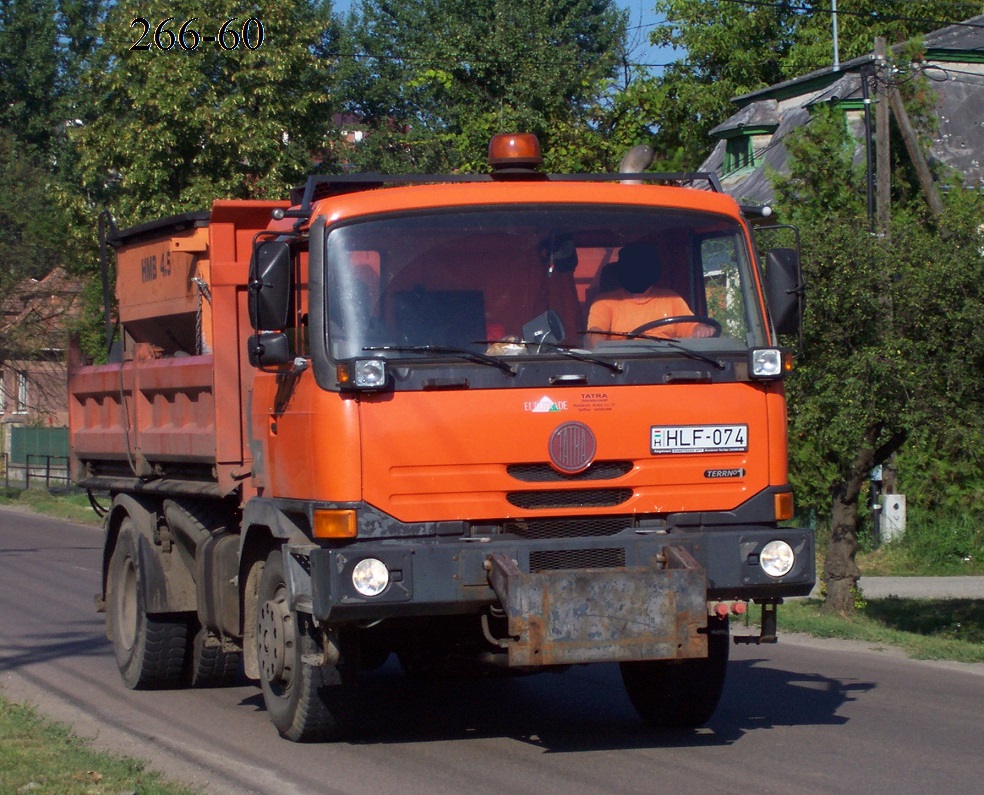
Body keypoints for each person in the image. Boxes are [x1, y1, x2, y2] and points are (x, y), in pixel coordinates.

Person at [585, 242, 711, 346]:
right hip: (621, 367)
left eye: (642, 267)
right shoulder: (604, 302)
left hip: (667, 365)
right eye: (632, 268)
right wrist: (595, 338)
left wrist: (700, 330)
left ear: (653, 270)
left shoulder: (671, 298)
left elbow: (690, 327)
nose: (638, 273)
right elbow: (596, 335)